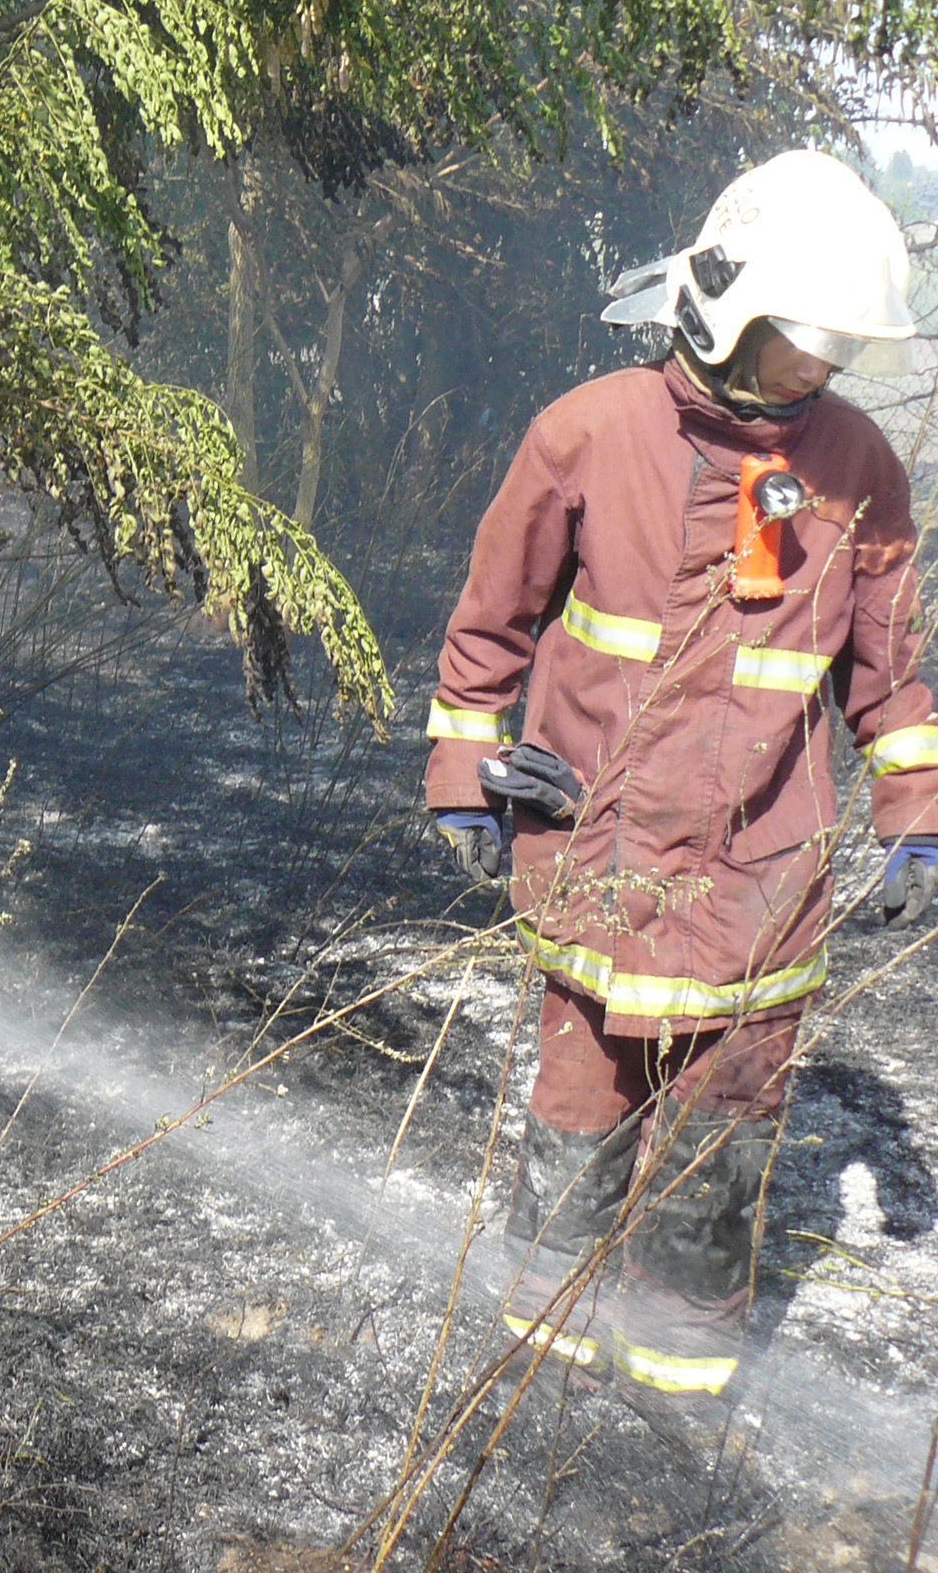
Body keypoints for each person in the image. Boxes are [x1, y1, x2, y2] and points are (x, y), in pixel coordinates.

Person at [424, 149, 938, 1449]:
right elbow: (489, 630)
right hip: (591, 863)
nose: (813, 378)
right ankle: (538, 1379)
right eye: (793, 350)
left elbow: (891, 667)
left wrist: (915, 807)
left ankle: (676, 1406)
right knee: (579, 1124)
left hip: (759, 891)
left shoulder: (860, 468)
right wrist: (461, 774)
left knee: (718, 1153)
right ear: (723, 309)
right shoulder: (589, 432)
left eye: (830, 357)